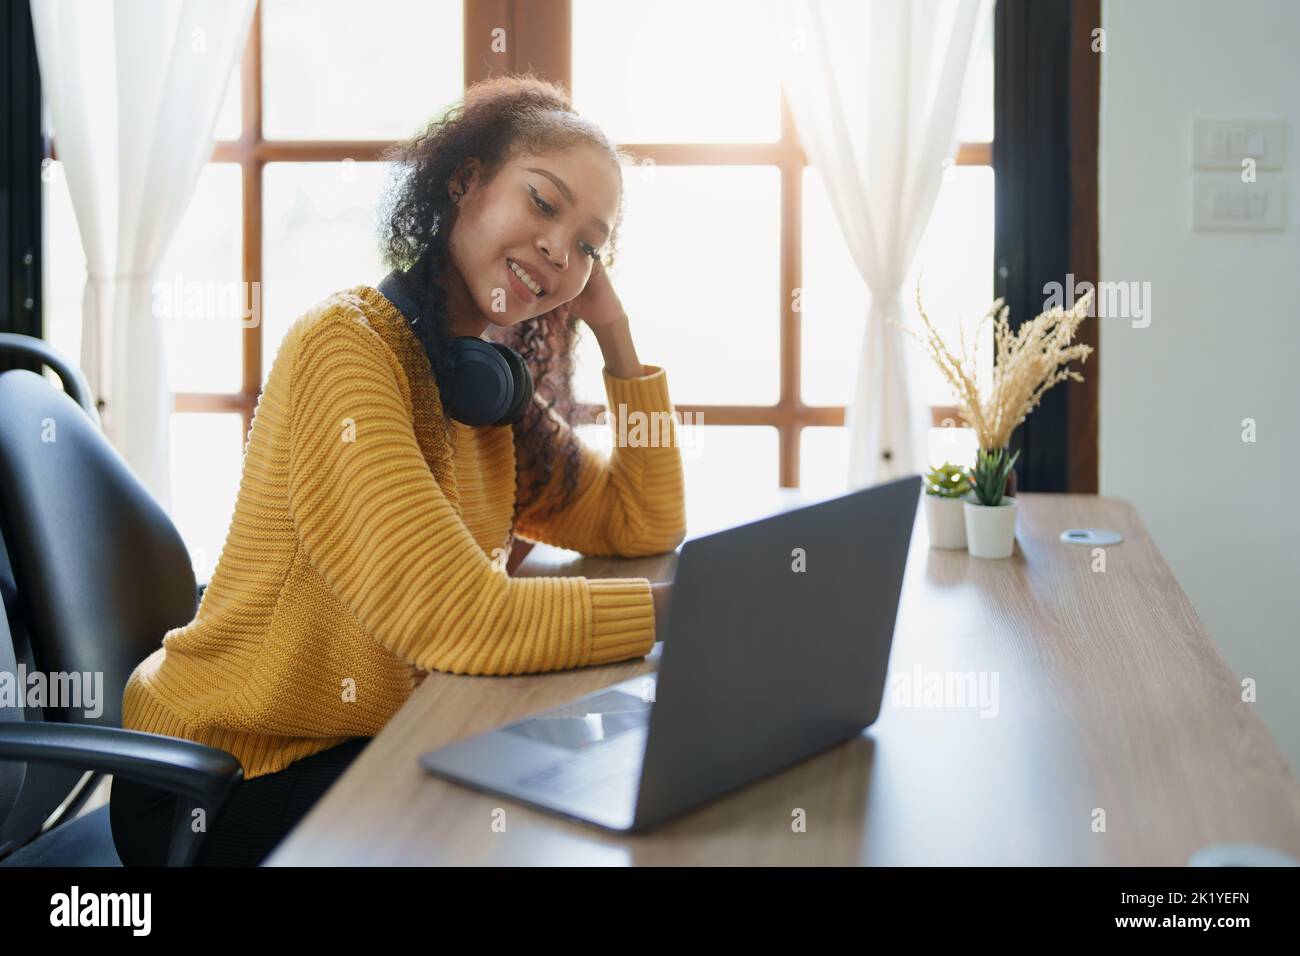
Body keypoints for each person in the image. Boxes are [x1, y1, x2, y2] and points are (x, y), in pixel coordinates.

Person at [110, 73, 686, 866]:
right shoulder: (345, 350)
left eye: (591, 246)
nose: (561, 250)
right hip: (231, 779)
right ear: (466, 181)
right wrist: (678, 607)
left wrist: (615, 333)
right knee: (526, 832)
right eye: (544, 204)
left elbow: (640, 522)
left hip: (363, 739)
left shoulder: (481, 384)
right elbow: (462, 620)